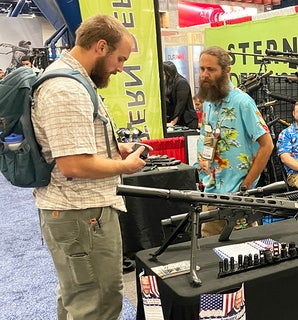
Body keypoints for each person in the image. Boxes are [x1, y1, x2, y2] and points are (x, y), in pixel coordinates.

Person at [31, 14, 149, 320]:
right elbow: (74, 164)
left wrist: (112, 148)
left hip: (79, 214)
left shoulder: (73, 80)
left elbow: (74, 148)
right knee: (98, 304)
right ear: (100, 47)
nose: (120, 68)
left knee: (79, 298)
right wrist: (125, 164)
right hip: (82, 214)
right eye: (119, 58)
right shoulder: (66, 89)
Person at [196, 45, 273, 237]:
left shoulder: (243, 103)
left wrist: (246, 185)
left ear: (226, 71)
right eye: (202, 69)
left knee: (245, 251)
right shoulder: (207, 101)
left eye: (211, 69)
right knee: (209, 250)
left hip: (238, 198)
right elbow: (207, 134)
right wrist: (204, 159)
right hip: (211, 192)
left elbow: (267, 145)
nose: (205, 74)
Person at [163, 61, 198, 129]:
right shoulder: (168, 84)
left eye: (164, 74)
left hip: (187, 121)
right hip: (175, 120)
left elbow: (180, 104)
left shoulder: (181, 82)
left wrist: (173, 122)